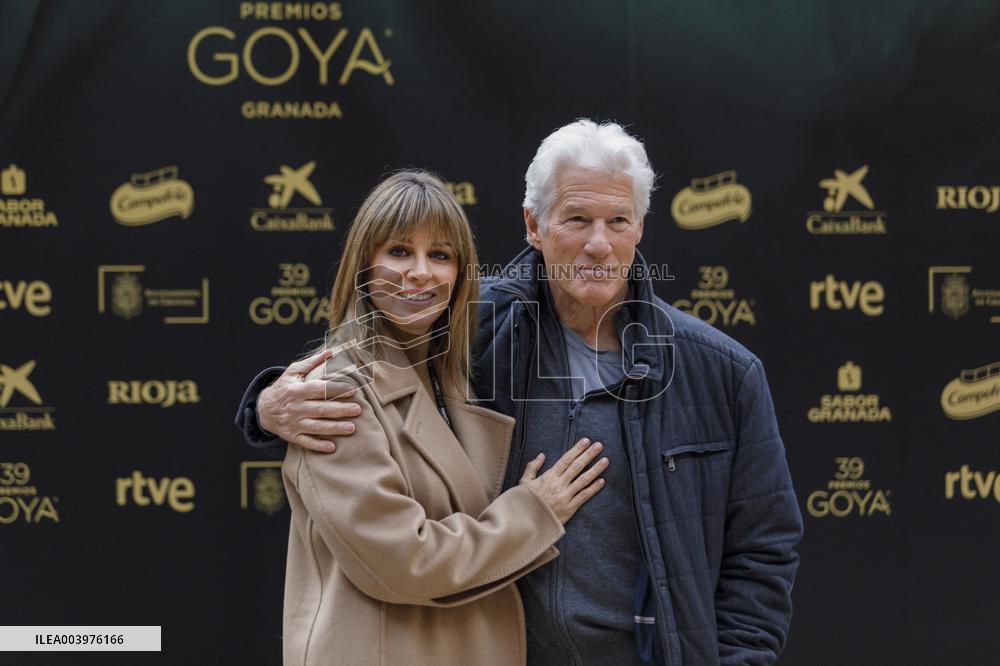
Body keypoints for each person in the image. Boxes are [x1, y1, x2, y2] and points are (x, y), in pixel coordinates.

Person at [236, 121, 804, 665]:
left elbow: (763, 549)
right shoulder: (471, 329)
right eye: (576, 218)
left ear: (640, 228)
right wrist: (266, 405)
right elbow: (369, 351)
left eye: (618, 220)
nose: (599, 244)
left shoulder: (721, 372)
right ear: (534, 226)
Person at [273, 170, 608, 666]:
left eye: (441, 255)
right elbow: (405, 560)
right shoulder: (337, 389)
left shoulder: (447, 376)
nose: (422, 272)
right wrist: (534, 512)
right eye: (399, 251)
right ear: (363, 264)